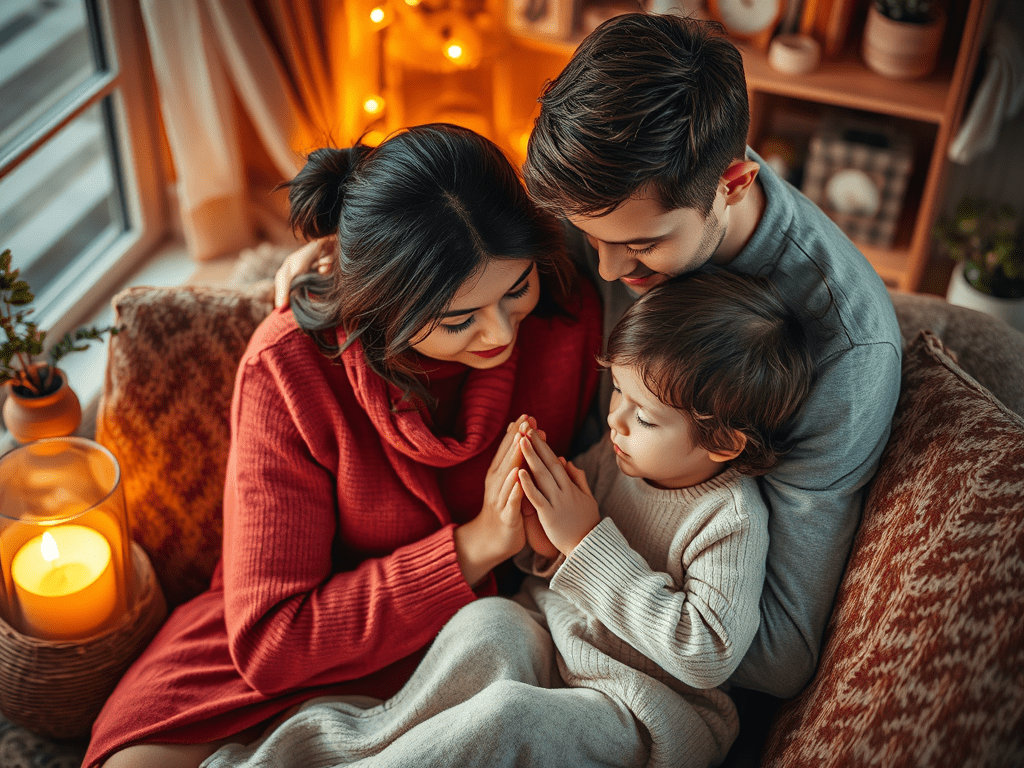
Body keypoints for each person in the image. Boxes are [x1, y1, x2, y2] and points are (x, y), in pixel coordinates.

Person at [274, 11, 902, 701]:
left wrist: (587, 548)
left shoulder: (845, 350)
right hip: (534, 602)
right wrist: (365, 260)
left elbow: (778, 652)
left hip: (641, 676)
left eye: (640, 247)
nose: (604, 270)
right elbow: (460, 229)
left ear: (733, 183)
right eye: (585, 235)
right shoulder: (608, 193)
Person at [84, 123, 603, 768]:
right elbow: (272, 642)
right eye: (457, 319)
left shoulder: (567, 310)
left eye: (515, 290)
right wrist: (475, 545)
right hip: (299, 638)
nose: (499, 333)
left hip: (476, 631)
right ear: (380, 303)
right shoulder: (288, 368)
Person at [200, 269, 817, 768]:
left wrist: (585, 542)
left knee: (508, 719)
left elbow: (707, 652)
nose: (615, 420)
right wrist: (538, 538)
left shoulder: (728, 519)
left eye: (644, 416)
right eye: (618, 393)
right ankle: (333, 749)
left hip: (639, 708)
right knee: (488, 621)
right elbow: (554, 563)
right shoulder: (620, 458)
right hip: (557, 646)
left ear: (723, 443)